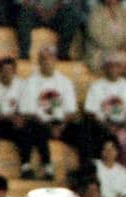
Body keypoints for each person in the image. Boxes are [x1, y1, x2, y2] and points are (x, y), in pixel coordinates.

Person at [19, 45, 78, 181]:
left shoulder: (65, 82)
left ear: (55, 60)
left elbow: (71, 110)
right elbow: (28, 111)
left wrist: (61, 126)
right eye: (43, 59)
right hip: (39, 122)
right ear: (39, 62)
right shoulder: (30, 82)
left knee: (82, 132)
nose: (47, 62)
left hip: (61, 122)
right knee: (33, 128)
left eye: (50, 59)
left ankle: (84, 168)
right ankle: (46, 168)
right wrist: (47, 126)